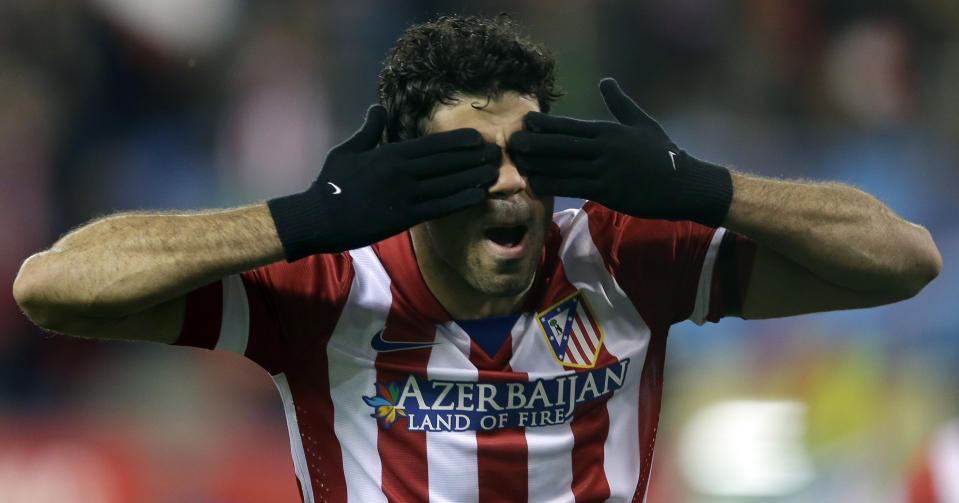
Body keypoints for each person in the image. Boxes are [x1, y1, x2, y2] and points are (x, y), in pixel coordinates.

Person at [13, 15, 941, 503]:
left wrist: (705, 188)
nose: (507, 185)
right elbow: (52, 287)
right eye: (466, 161)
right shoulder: (329, 282)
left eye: (529, 154)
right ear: (407, 178)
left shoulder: (625, 259)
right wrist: (300, 218)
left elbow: (902, 261)